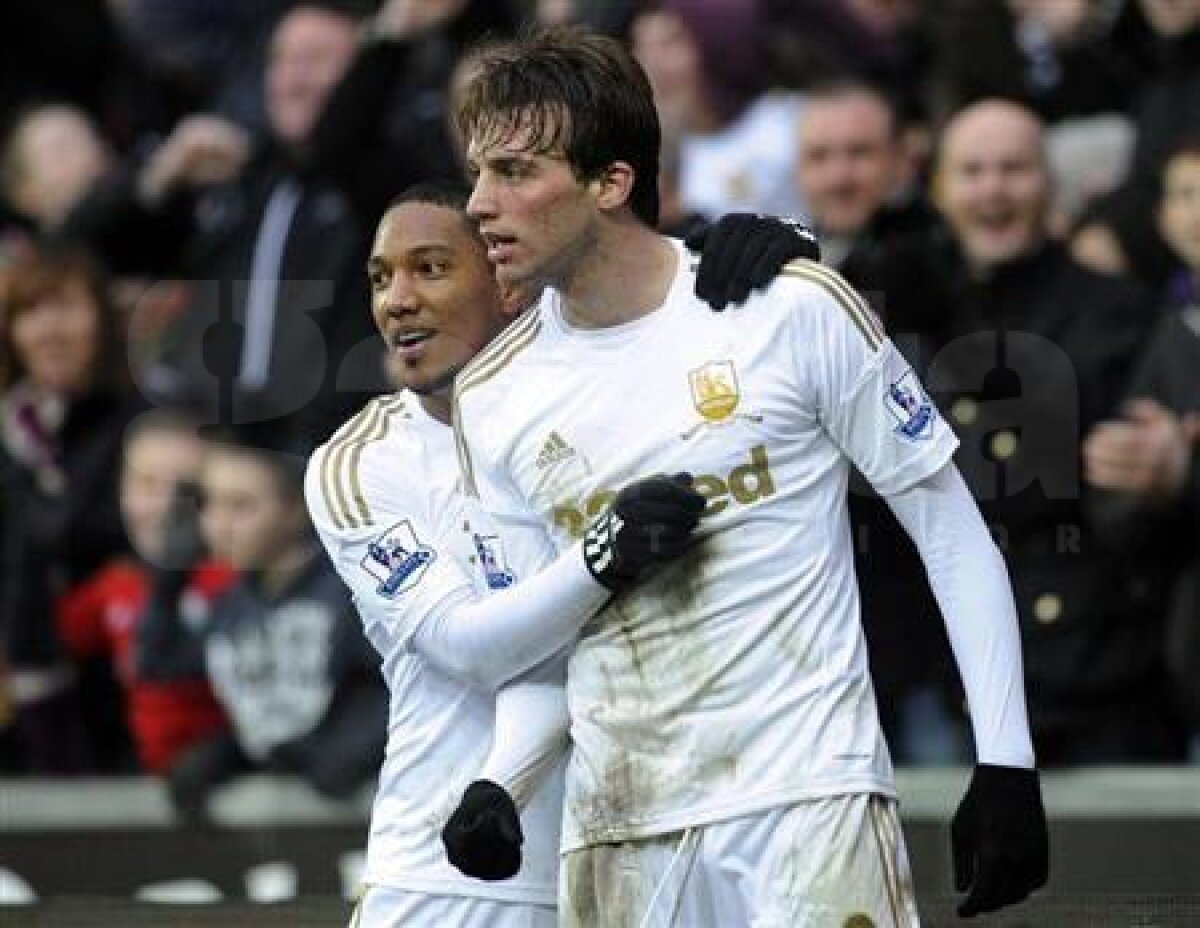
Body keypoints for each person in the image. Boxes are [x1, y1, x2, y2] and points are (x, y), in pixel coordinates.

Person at [451, 29, 1048, 924]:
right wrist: (503, 777)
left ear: (610, 182)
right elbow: (541, 642)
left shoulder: (786, 307)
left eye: (513, 172)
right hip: (618, 825)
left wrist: (1006, 760)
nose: (479, 205)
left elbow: (951, 530)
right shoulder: (493, 396)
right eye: (476, 174)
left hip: (808, 798)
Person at [305, 175, 818, 926]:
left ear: (509, 284)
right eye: (381, 279)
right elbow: (470, 648)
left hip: (635, 852)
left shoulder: (603, 409)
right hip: (449, 883)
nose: (397, 301)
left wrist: (781, 250)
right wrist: (603, 555)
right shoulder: (362, 464)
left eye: (431, 269)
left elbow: (686, 309)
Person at [144, 421, 388, 816]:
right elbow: (159, 666)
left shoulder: (352, 591)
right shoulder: (229, 605)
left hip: (365, 811)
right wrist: (166, 582)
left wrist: (356, 744)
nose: (219, 525)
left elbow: (402, 683)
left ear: (296, 509)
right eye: (209, 503)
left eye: (241, 505)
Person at [55, 409, 233, 779]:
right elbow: (36, 656)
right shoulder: (114, 585)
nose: (164, 506)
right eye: (146, 484)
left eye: (185, 489)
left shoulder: (240, 584)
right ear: (120, 491)